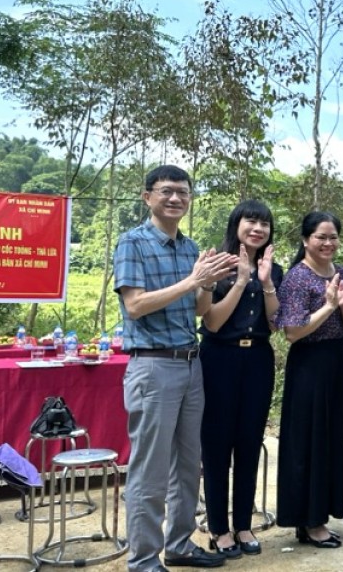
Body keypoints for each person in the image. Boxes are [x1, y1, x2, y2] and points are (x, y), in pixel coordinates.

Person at [114, 164, 237, 571]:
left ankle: (179, 547)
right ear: (147, 196)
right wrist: (191, 281)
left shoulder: (191, 248)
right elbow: (134, 306)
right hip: (152, 367)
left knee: (188, 464)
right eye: (167, 191)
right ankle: (144, 559)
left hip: (190, 364)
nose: (176, 199)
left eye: (183, 192)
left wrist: (204, 284)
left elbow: (201, 311)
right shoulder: (132, 244)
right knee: (149, 470)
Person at [198, 200, 282, 558]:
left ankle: (243, 524)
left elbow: (276, 322)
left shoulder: (274, 270)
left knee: (249, 443)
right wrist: (241, 281)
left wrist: (264, 283)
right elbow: (212, 322)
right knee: (217, 446)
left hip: (259, 359)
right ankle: (219, 529)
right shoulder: (217, 263)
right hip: (219, 358)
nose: (258, 228)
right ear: (236, 224)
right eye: (251, 221)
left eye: (264, 223)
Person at [275, 211, 343, 549]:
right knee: (308, 440)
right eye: (321, 237)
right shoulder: (297, 278)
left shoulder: (342, 272)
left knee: (332, 440)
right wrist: (329, 306)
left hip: (338, 360)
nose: (328, 243)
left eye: (333, 237)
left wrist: (341, 305)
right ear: (305, 240)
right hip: (309, 365)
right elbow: (293, 332)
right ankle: (309, 521)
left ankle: (322, 512)